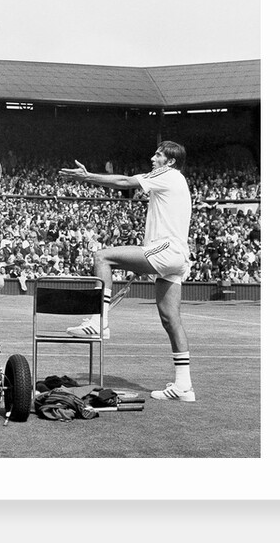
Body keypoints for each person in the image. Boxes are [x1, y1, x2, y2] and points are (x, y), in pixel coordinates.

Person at [58, 141, 196, 402]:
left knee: (102, 257)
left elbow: (124, 181)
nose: (152, 158)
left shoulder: (166, 175)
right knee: (170, 318)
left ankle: (100, 321)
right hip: (174, 256)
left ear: (171, 161)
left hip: (165, 251)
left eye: (158, 155)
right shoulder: (176, 181)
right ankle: (183, 386)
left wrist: (88, 176)